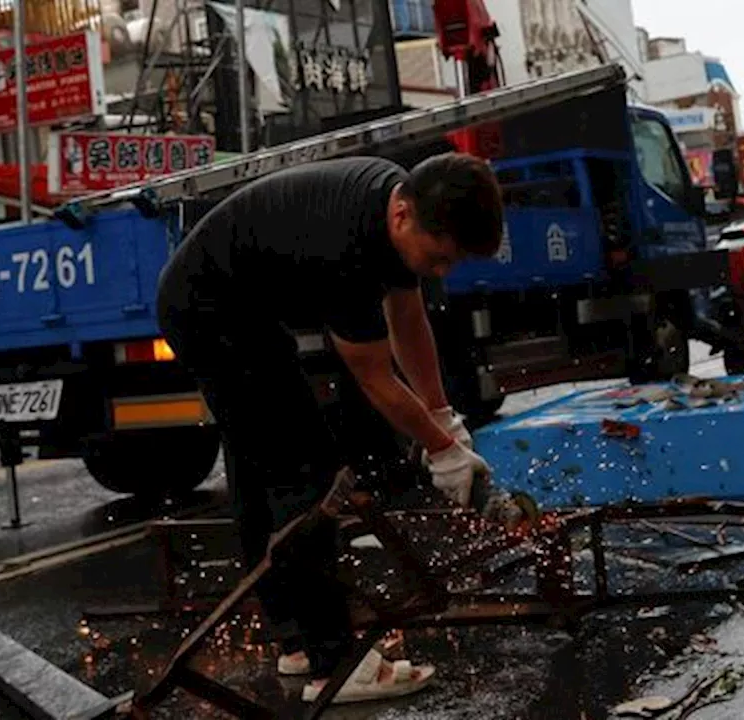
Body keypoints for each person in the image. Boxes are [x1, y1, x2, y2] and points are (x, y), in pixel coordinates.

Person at [156, 152, 507, 704]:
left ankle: (297, 645)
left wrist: (443, 419)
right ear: (403, 218)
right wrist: (442, 452)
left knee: (257, 469)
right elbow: (375, 377)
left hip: (237, 308)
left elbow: (409, 324)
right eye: (440, 259)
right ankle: (335, 666)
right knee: (305, 475)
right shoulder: (349, 248)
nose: (442, 272)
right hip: (209, 314)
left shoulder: (397, 202)